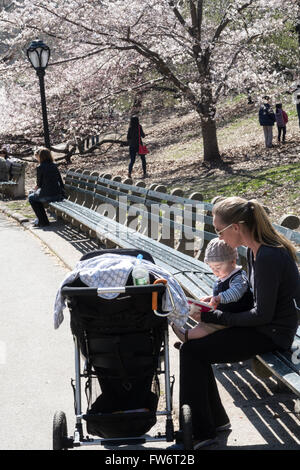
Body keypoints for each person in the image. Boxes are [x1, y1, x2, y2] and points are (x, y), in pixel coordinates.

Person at [176, 196, 300, 450]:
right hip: (265, 326)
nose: (219, 238)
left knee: (192, 352)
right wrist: (217, 303)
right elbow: (256, 301)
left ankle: (202, 432)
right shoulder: (256, 251)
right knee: (194, 351)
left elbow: (262, 315)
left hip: (272, 333)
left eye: (219, 230)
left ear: (236, 227)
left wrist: (216, 316)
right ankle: (212, 423)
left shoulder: (267, 256)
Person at [171, 238, 253, 343]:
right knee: (198, 315)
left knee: (208, 326)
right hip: (222, 314)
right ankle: (194, 343)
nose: (215, 271)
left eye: (218, 267)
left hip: (234, 318)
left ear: (233, 261)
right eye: (211, 267)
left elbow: (235, 292)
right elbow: (223, 293)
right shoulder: (225, 274)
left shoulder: (238, 278)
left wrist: (218, 298)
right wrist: (211, 297)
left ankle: (187, 336)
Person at [28, 147, 65, 227]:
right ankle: (42, 220)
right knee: (35, 197)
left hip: (47, 196)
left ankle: (43, 220)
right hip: (57, 195)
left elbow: (39, 184)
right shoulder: (54, 165)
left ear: (41, 156)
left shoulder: (40, 167)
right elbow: (60, 180)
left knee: (31, 197)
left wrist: (34, 190)